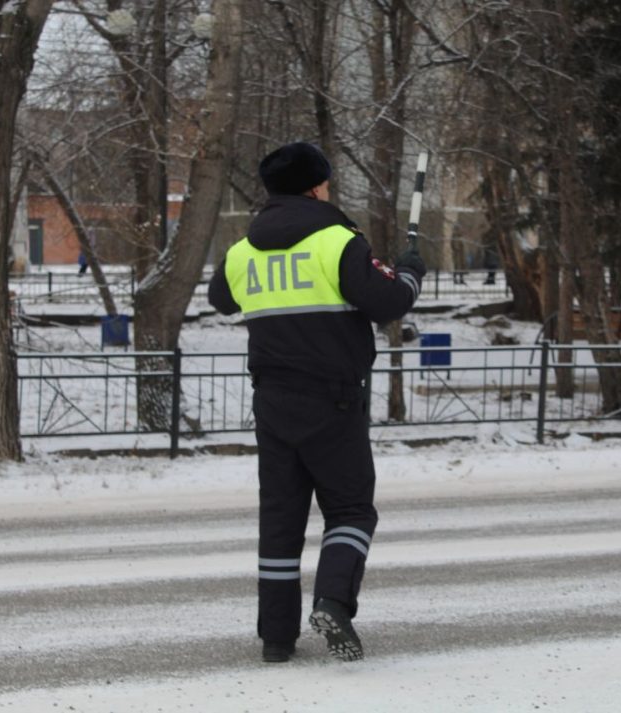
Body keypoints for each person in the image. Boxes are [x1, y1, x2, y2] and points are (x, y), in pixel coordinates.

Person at [207, 142, 426, 664]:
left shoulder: (243, 250)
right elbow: (387, 302)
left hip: (273, 402)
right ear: (316, 186)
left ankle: (276, 638)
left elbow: (222, 299)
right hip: (334, 399)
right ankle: (333, 601)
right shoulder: (337, 240)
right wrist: (410, 272)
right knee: (350, 509)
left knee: (280, 518)